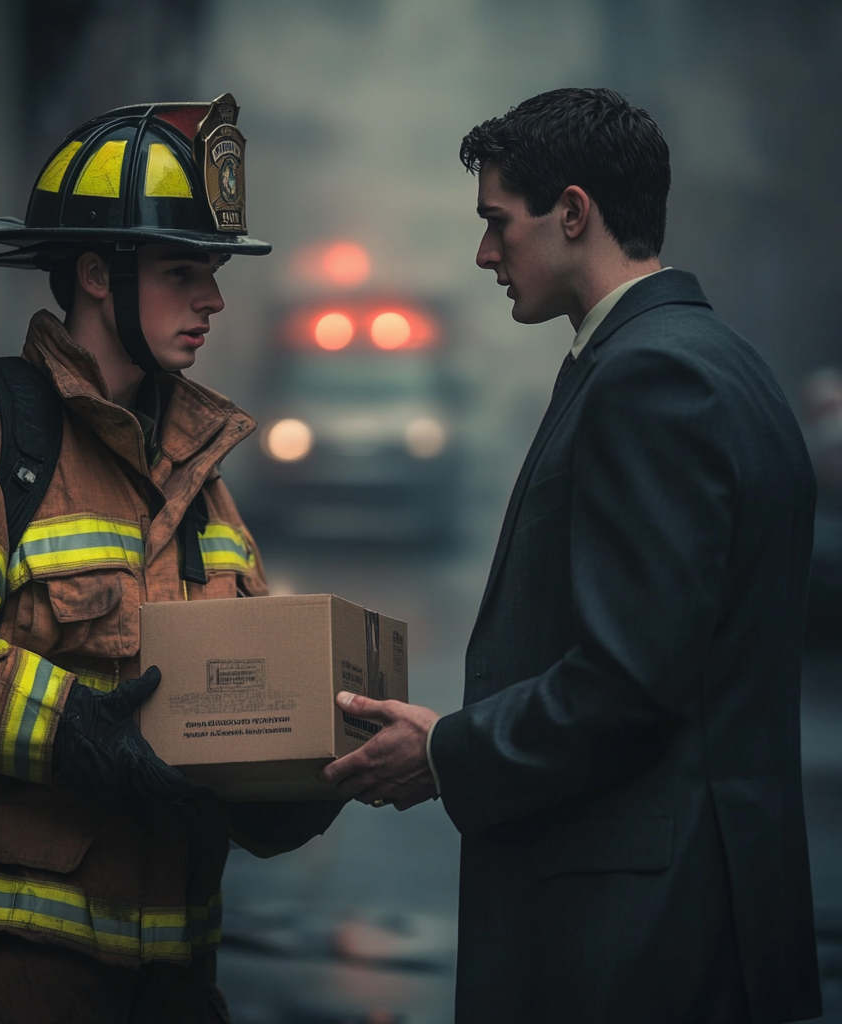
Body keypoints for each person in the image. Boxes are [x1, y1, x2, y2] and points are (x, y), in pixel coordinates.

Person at [321, 87, 822, 1023]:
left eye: (497, 222)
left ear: (575, 212)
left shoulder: (649, 376)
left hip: (638, 935)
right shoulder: (720, 360)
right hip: (687, 918)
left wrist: (444, 752)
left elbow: (630, 680)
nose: (484, 254)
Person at [0, 95, 337, 1023]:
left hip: (176, 987)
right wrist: (68, 728)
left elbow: (241, 706)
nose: (215, 299)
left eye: (215, 271)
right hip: (1, 983)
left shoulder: (199, 479)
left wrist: (290, 778)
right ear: (99, 273)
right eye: (184, 271)